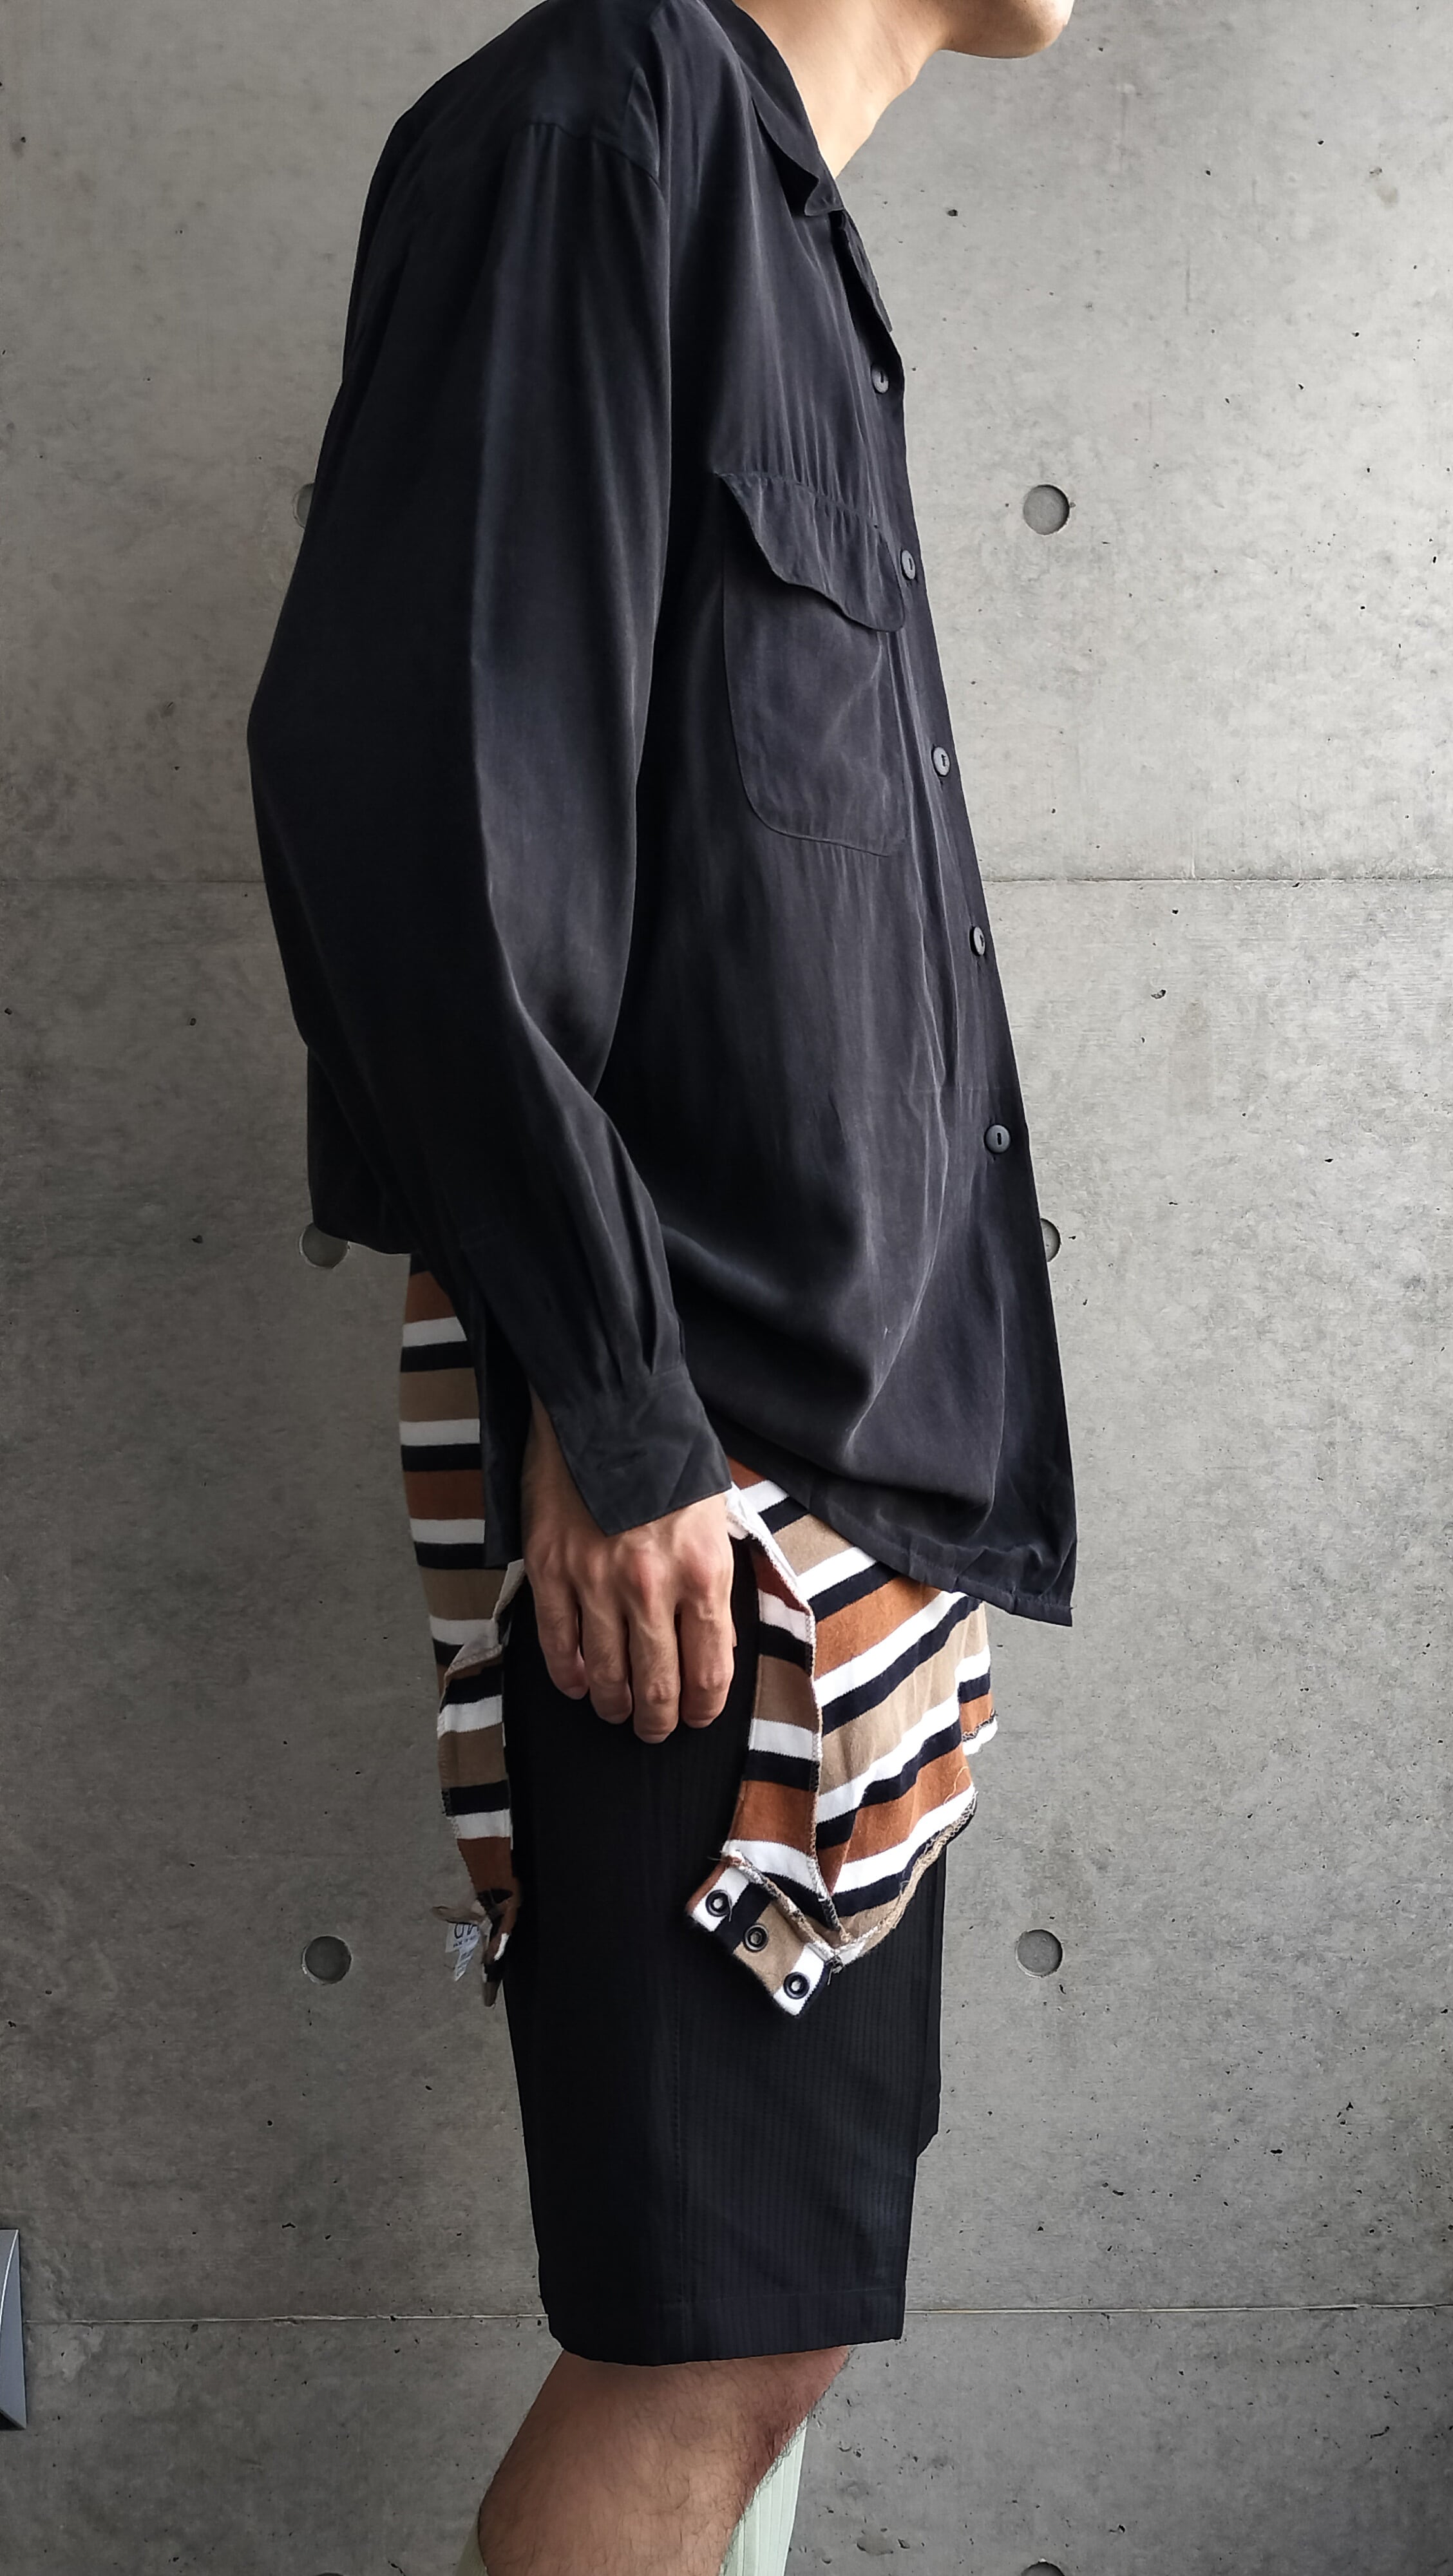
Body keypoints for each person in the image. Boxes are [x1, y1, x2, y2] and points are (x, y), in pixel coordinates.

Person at [246, 0, 1078, 2565]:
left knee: (764, 2326)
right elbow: (415, 805)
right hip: (693, 1488)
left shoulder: (783, 232)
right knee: (696, 2344)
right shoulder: (596, 135)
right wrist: (609, 1410)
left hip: (837, 1488)